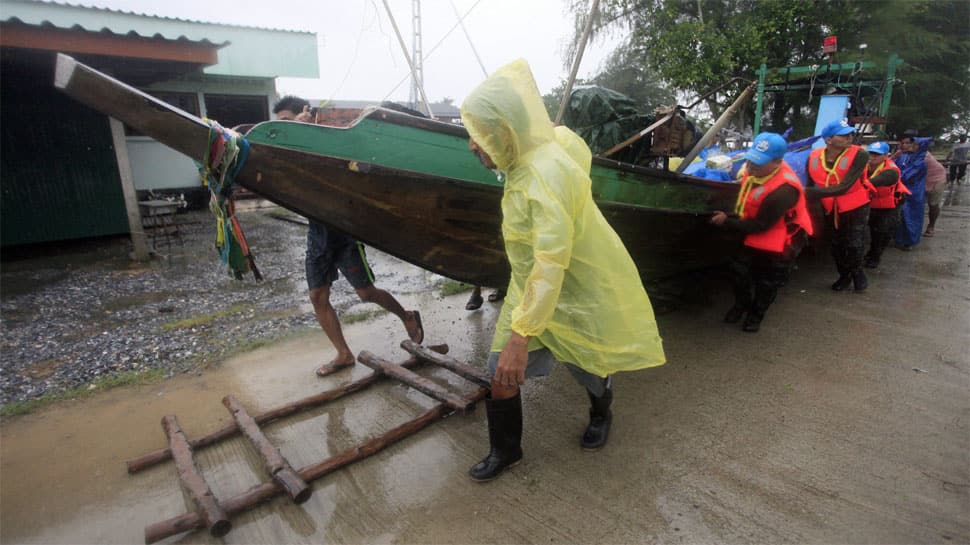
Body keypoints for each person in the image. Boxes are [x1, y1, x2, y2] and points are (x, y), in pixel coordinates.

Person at [459, 59, 666, 482]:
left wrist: (522, 335)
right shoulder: (539, 149)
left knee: (589, 368)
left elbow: (552, 261)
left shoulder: (542, 179)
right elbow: (572, 143)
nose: (471, 146)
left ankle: (601, 411)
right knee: (501, 372)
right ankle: (506, 450)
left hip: (571, 288)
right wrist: (518, 330)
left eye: (477, 136)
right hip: (529, 287)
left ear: (505, 131)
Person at [273, 96, 424, 377]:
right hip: (317, 231)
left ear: (303, 116)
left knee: (366, 293)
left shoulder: (326, 136)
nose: (281, 128)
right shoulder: (283, 146)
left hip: (342, 227)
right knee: (318, 295)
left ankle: (407, 316)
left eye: (285, 121)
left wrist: (308, 131)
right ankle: (343, 354)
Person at [710, 132, 813, 332]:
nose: (751, 166)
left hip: (782, 235)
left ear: (777, 162)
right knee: (736, 269)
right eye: (751, 160)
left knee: (767, 280)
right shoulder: (754, 171)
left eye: (758, 163)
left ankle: (756, 315)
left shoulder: (784, 190)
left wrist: (726, 220)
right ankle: (742, 304)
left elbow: (761, 225)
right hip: (753, 225)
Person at [805, 118, 873, 291]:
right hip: (829, 206)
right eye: (843, 135)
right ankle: (844, 275)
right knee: (835, 245)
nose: (849, 137)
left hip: (855, 204)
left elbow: (844, 187)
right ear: (829, 140)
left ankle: (858, 273)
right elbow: (810, 182)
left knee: (854, 243)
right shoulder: (813, 156)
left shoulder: (860, 155)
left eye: (850, 134)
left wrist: (808, 193)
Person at [863, 142, 907, 269]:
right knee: (872, 229)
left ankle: (875, 257)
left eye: (877, 154)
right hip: (873, 203)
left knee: (882, 231)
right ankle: (871, 253)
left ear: (885, 156)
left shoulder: (891, 171)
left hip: (890, 205)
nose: (873, 157)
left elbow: (873, 182)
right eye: (871, 153)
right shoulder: (865, 166)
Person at [893, 134, 931, 250]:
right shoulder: (904, 157)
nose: (909, 146)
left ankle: (909, 241)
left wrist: (892, 175)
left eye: (913, 144)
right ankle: (899, 239)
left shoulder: (920, 163)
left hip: (913, 194)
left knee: (911, 217)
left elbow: (904, 176)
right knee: (900, 216)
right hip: (902, 190)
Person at [923, 150, 947, 237]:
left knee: (933, 204)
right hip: (921, 180)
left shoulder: (923, 155)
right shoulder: (902, 152)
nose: (903, 145)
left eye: (907, 143)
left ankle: (931, 226)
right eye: (902, 143)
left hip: (936, 180)